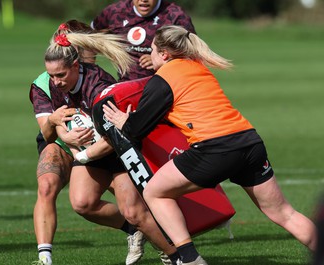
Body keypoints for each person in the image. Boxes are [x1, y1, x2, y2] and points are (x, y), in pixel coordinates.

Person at [103, 25, 317, 265]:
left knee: (155, 192)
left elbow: (136, 131)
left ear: (164, 54)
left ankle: (189, 259)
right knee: (284, 213)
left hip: (215, 149)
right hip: (250, 142)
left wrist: (124, 121)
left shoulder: (162, 79)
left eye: (152, 49)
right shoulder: (198, 68)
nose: (149, 55)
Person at [30, 23, 179, 265]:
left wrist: (83, 155)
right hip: (88, 147)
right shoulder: (51, 83)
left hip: (115, 148)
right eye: (52, 76)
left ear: (76, 66)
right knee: (82, 203)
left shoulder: (98, 85)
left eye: (60, 75)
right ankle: (136, 230)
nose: (55, 81)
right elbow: (57, 117)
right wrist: (64, 133)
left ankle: (178, 255)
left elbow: (114, 135)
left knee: (134, 210)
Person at [91, 0, 196, 81]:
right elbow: (89, 36)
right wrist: (91, 71)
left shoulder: (175, 16)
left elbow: (192, 53)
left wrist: (161, 58)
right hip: (125, 85)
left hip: (164, 86)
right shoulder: (115, 12)